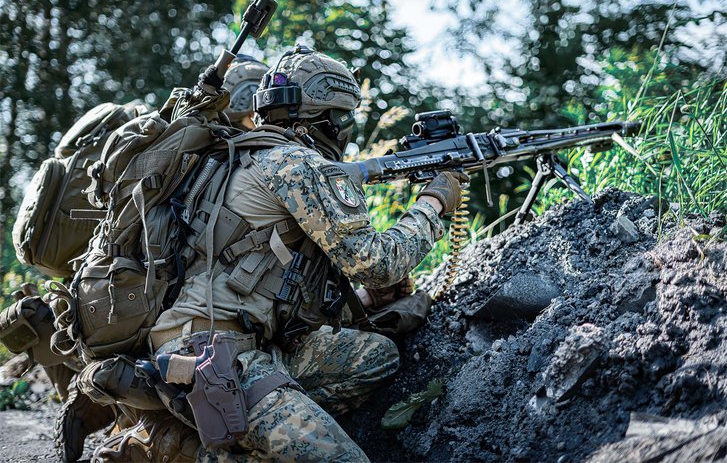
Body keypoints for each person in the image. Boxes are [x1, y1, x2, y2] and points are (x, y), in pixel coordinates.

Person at [91, 44, 468, 462]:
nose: (343, 129)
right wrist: (434, 201)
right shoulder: (298, 164)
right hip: (215, 358)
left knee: (375, 356)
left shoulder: (240, 155)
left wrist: (361, 302)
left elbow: (266, 281)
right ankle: (179, 448)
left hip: (223, 341)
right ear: (320, 116)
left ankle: (245, 426)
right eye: (341, 117)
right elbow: (377, 263)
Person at [0, 54, 270, 463]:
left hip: (102, 299)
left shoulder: (168, 142)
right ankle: (131, 427)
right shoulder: (227, 158)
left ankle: (89, 386)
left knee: (92, 328)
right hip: (153, 314)